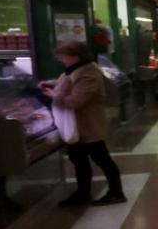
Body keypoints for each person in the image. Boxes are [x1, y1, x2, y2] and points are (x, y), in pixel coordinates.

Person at [40, 40, 126, 207]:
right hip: (78, 125)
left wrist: (54, 95)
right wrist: (52, 85)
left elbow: (76, 100)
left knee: (101, 158)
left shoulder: (88, 73)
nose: (60, 59)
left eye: (63, 55)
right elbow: (68, 85)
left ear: (76, 56)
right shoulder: (76, 69)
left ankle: (116, 192)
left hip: (88, 125)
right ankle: (83, 193)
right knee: (79, 159)